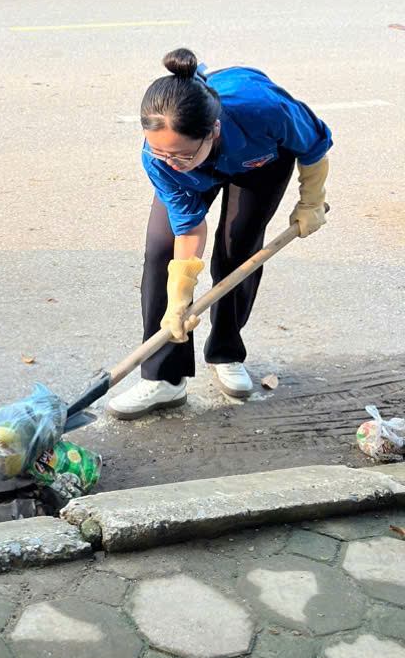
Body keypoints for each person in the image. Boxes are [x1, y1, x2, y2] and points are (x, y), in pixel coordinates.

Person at [108, 48, 331, 420]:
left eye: (179, 154)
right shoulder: (161, 159)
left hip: (261, 162)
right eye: (160, 152)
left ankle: (226, 352)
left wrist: (311, 201)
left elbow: (314, 144)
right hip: (200, 171)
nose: (169, 162)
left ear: (213, 131)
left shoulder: (264, 111)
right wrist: (180, 299)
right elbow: (188, 227)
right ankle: (165, 377)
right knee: (163, 252)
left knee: (238, 249)